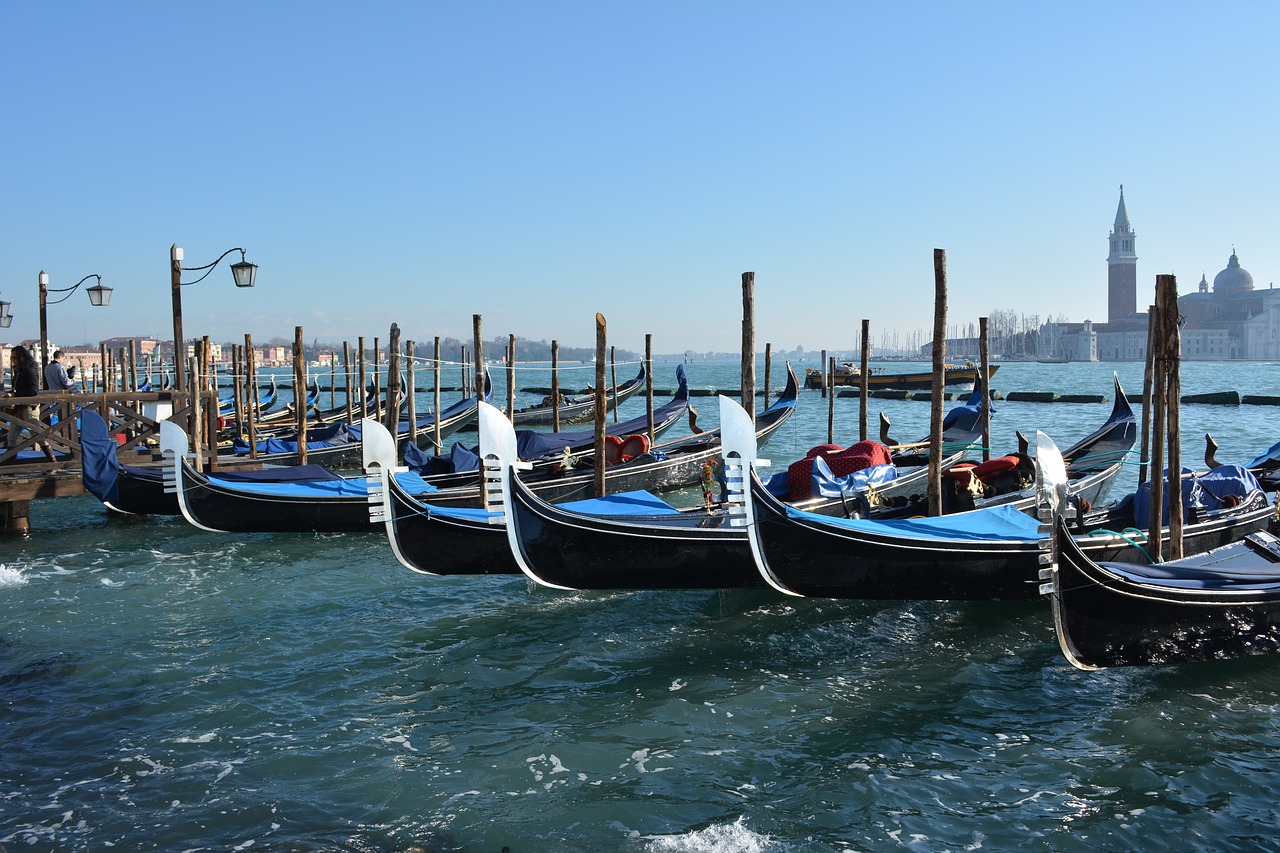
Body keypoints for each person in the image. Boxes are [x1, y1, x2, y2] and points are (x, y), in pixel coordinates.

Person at [4, 345, 41, 450]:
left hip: (29, 408)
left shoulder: (30, 370)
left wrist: (14, 395)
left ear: (22, 357)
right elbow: (18, 388)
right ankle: (9, 463)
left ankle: (52, 461)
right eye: (12, 358)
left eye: (15, 358)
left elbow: (33, 390)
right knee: (11, 437)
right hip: (19, 408)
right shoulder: (18, 371)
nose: (13, 360)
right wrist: (10, 393)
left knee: (38, 436)